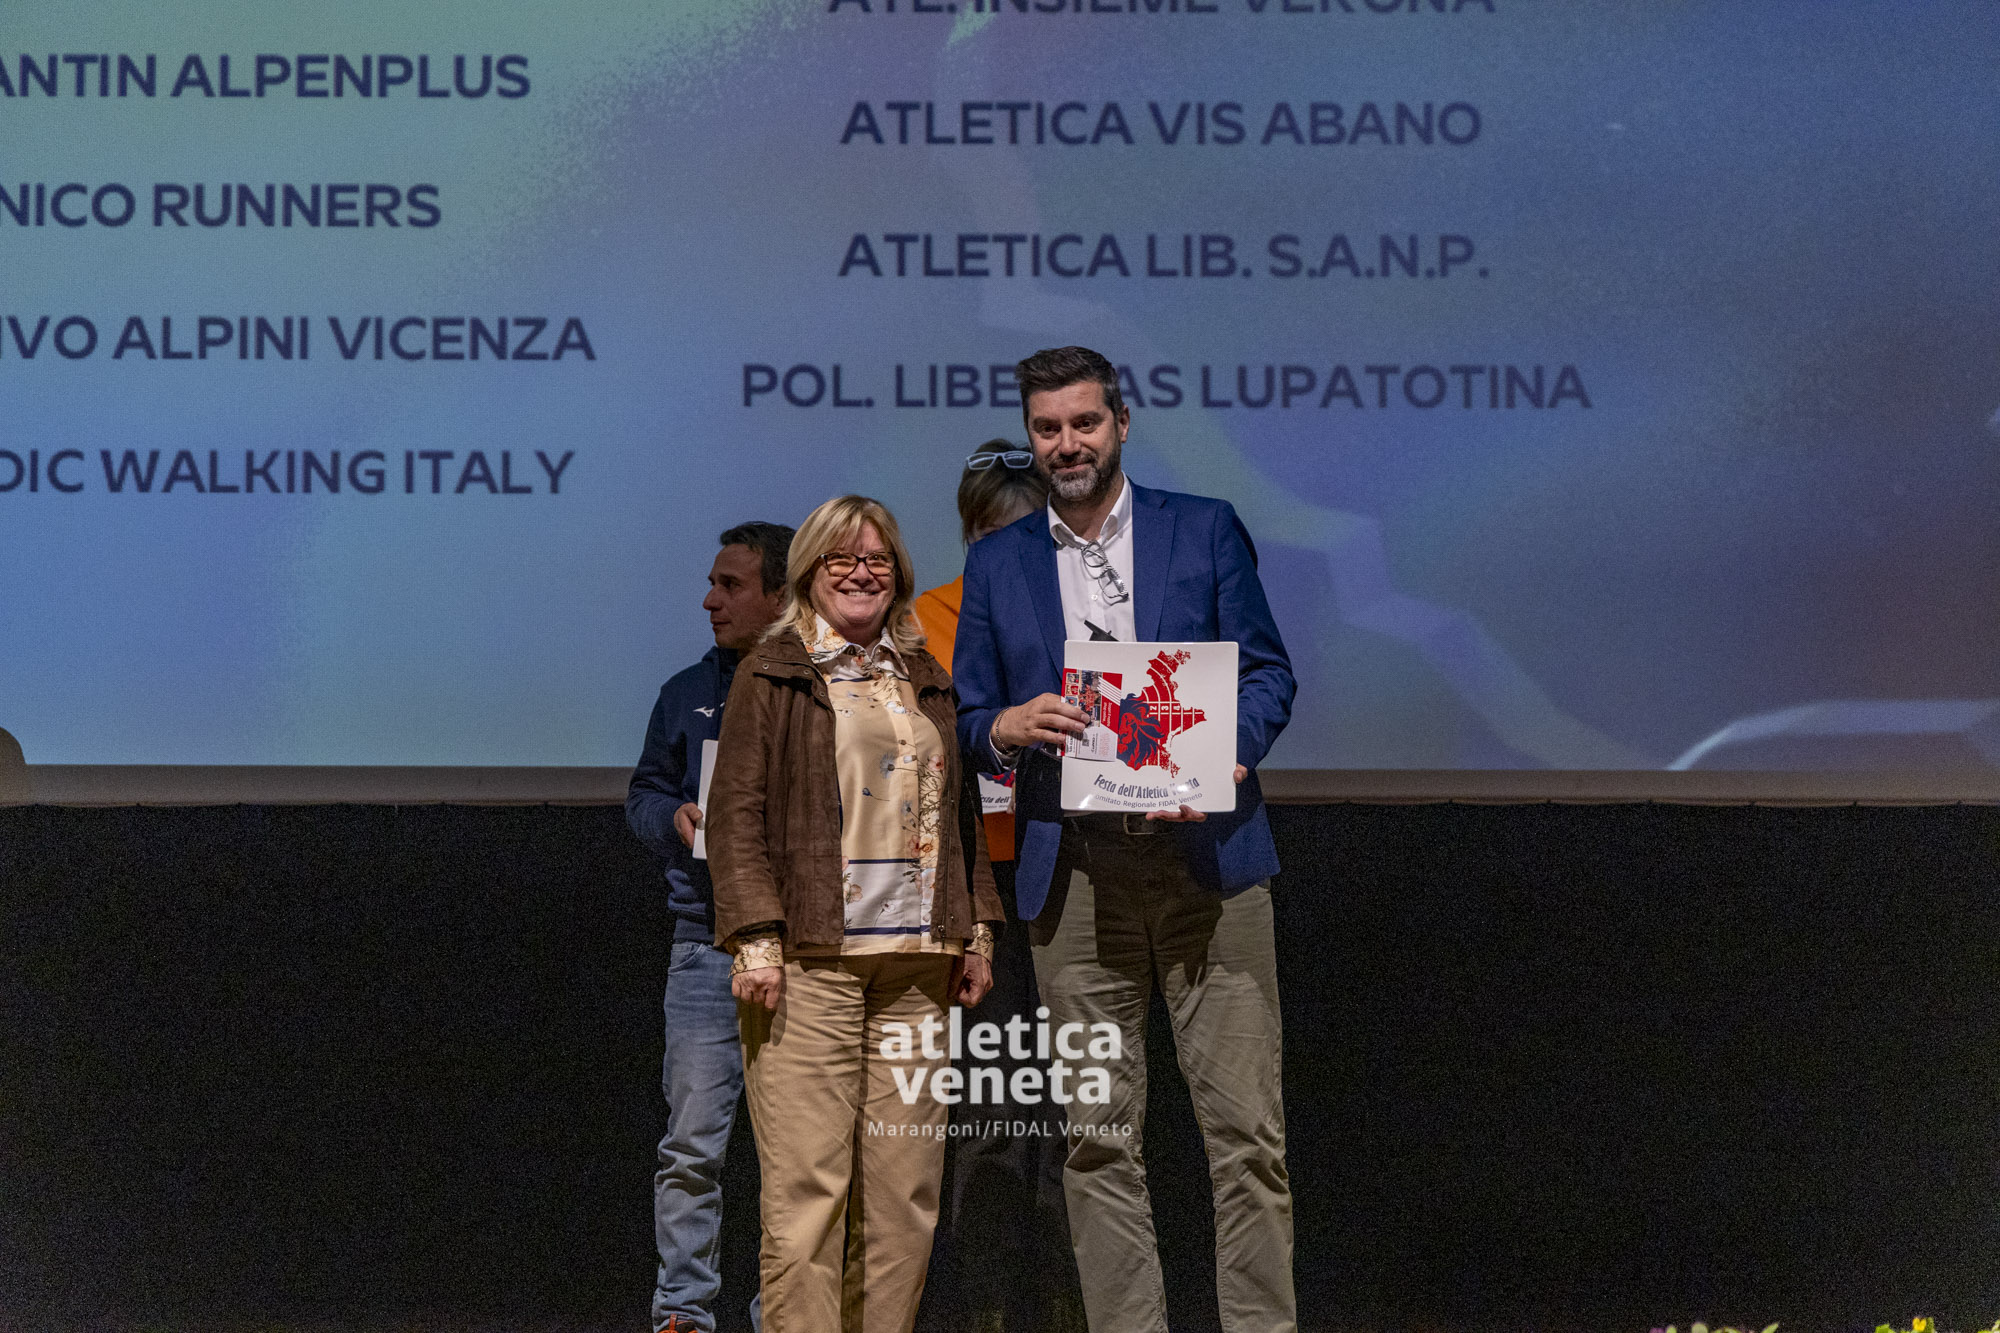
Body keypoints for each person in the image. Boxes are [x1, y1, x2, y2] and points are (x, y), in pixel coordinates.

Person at [952, 346, 1298, 1333]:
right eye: (1047, 428)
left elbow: (1267, 674)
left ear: (1121, 424)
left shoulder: (1203, 528)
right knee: (1097, 1142)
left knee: (1246, 1138)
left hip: (1208, 864)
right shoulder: (999, 561)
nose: (1067, 444)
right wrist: (1003, 726)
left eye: (1084, 423)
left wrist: (1224, 751)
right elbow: (968, 713)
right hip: (1075, 874)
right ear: (1031, 438)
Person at [707, 495, 1004, 1333]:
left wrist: (976, 927)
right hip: (811, 964)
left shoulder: (925, 673)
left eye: (876, 559)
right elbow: (735, 814)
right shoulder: (771, 672)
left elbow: (962, 812)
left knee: (907, 1197)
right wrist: (755, 937)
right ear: (809, 571)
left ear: (898, 572)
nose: (860, 572)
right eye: (841, 558)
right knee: (809, 1195)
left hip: (918, 965)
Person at [909, 443, 1081, 1333]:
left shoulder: (1077, 607)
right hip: (972, 887)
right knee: (987, 1103)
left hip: (1068, 872)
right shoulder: (924, 619)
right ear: (972, 535)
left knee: (1074, 1103)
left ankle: (1063, 1306)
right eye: (997, 535)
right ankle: (983, 1309)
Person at [626, 520, 794, 1333]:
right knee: (692, 1146)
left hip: (801, 952)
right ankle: (684, 1312)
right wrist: (675, 818)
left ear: (780, 596)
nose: (710, 600)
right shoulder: (684, 691)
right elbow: (644, 794)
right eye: (711, 582)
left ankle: (782, 1313)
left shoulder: (819, 688)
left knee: (794, 1155)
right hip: (705, 943)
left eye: (731, 585)